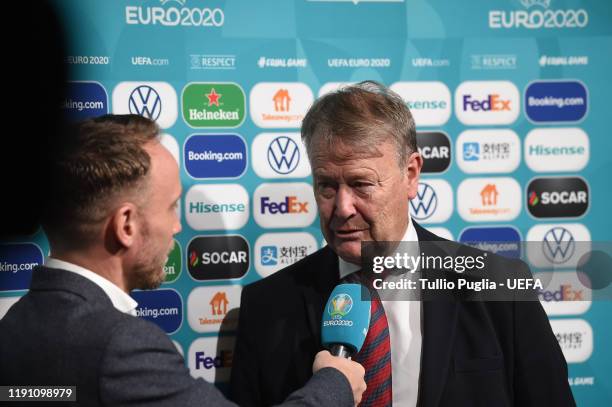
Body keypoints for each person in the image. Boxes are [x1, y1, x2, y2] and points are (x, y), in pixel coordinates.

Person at [229, 81, 576, 406]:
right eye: (327, 186)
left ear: (411, 175)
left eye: (361, 183)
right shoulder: (268, 306)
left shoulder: (500, 288)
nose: (342, 208)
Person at [0, 114, 366, 407]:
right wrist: (334, 385)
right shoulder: (121, 347)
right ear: (126, 225)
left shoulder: (16, 323)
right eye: (171, 207)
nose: (177, 227)